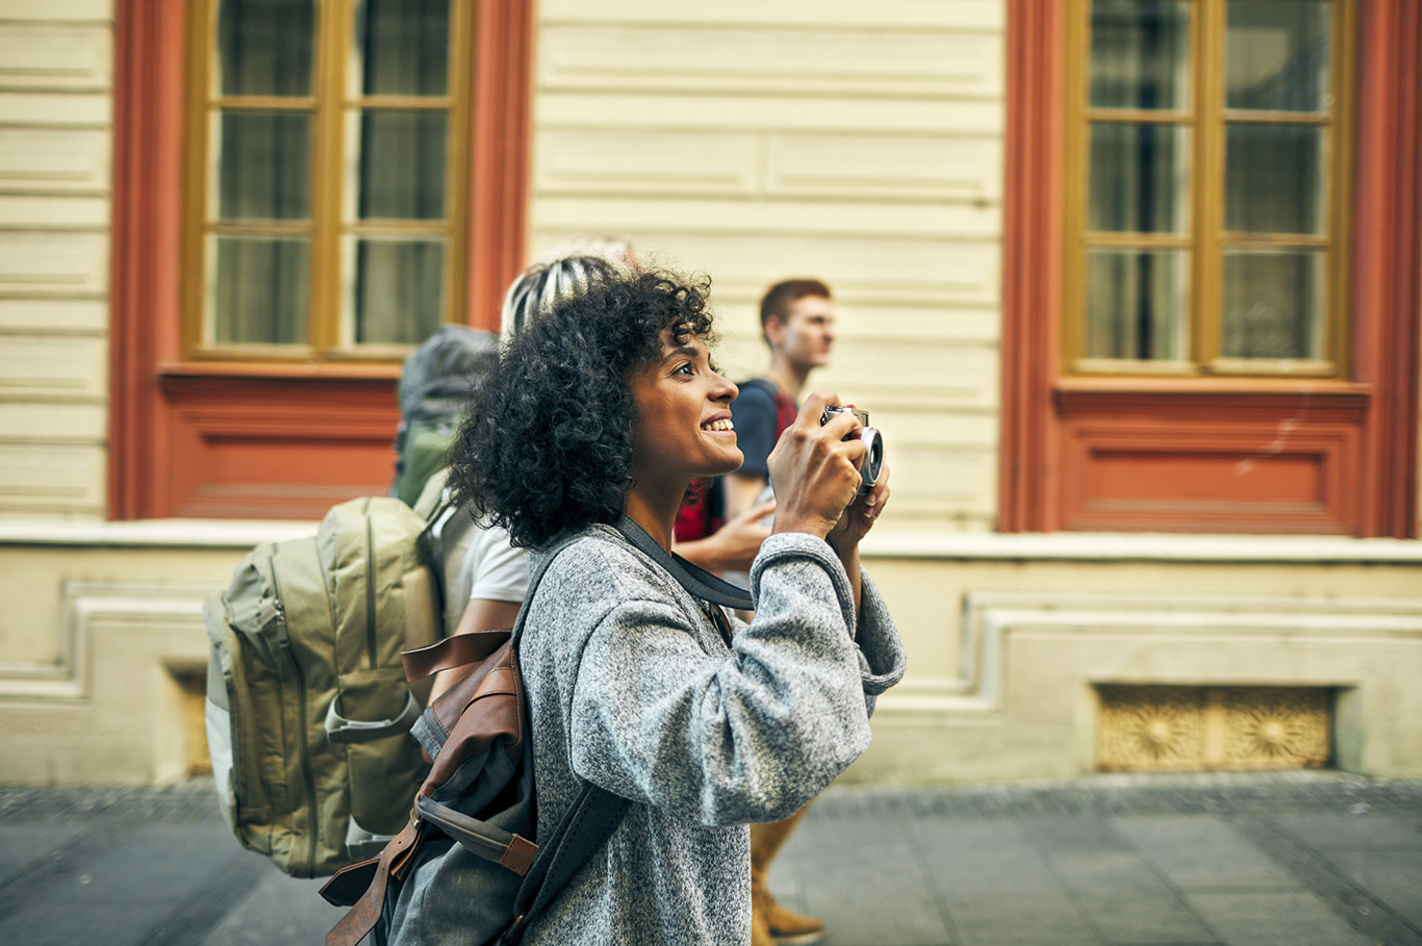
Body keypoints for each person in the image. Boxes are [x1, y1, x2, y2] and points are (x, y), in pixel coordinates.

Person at [445, 268, 905, 943]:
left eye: (710, 363)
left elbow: (827, 710)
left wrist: (836, 548)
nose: (723, 385)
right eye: (685, 368)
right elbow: (758, 755)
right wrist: (798, 530)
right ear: (602, 409)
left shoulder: (647, 568)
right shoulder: (597, 581)